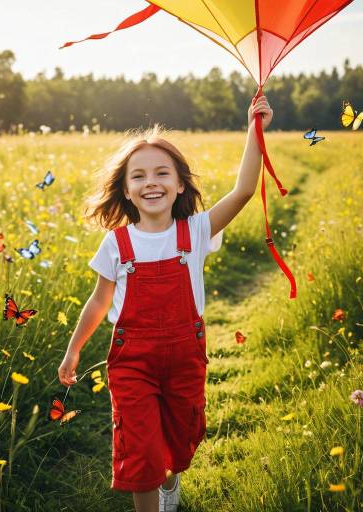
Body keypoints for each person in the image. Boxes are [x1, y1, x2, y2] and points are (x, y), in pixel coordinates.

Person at [58, 96, 273, 512]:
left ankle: (169, 482)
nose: (150, 182)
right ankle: (152, 494)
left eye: (162, 173)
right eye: (138, 176)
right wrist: (74, 349)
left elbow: (244, 190)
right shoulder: (116, 243)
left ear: (179, 185)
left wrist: (255, 128)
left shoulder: (195, 231)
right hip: (132, 361)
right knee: (141, 452)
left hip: (183, 359)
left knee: (178, 442)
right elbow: (99, 299)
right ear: (126, 189)